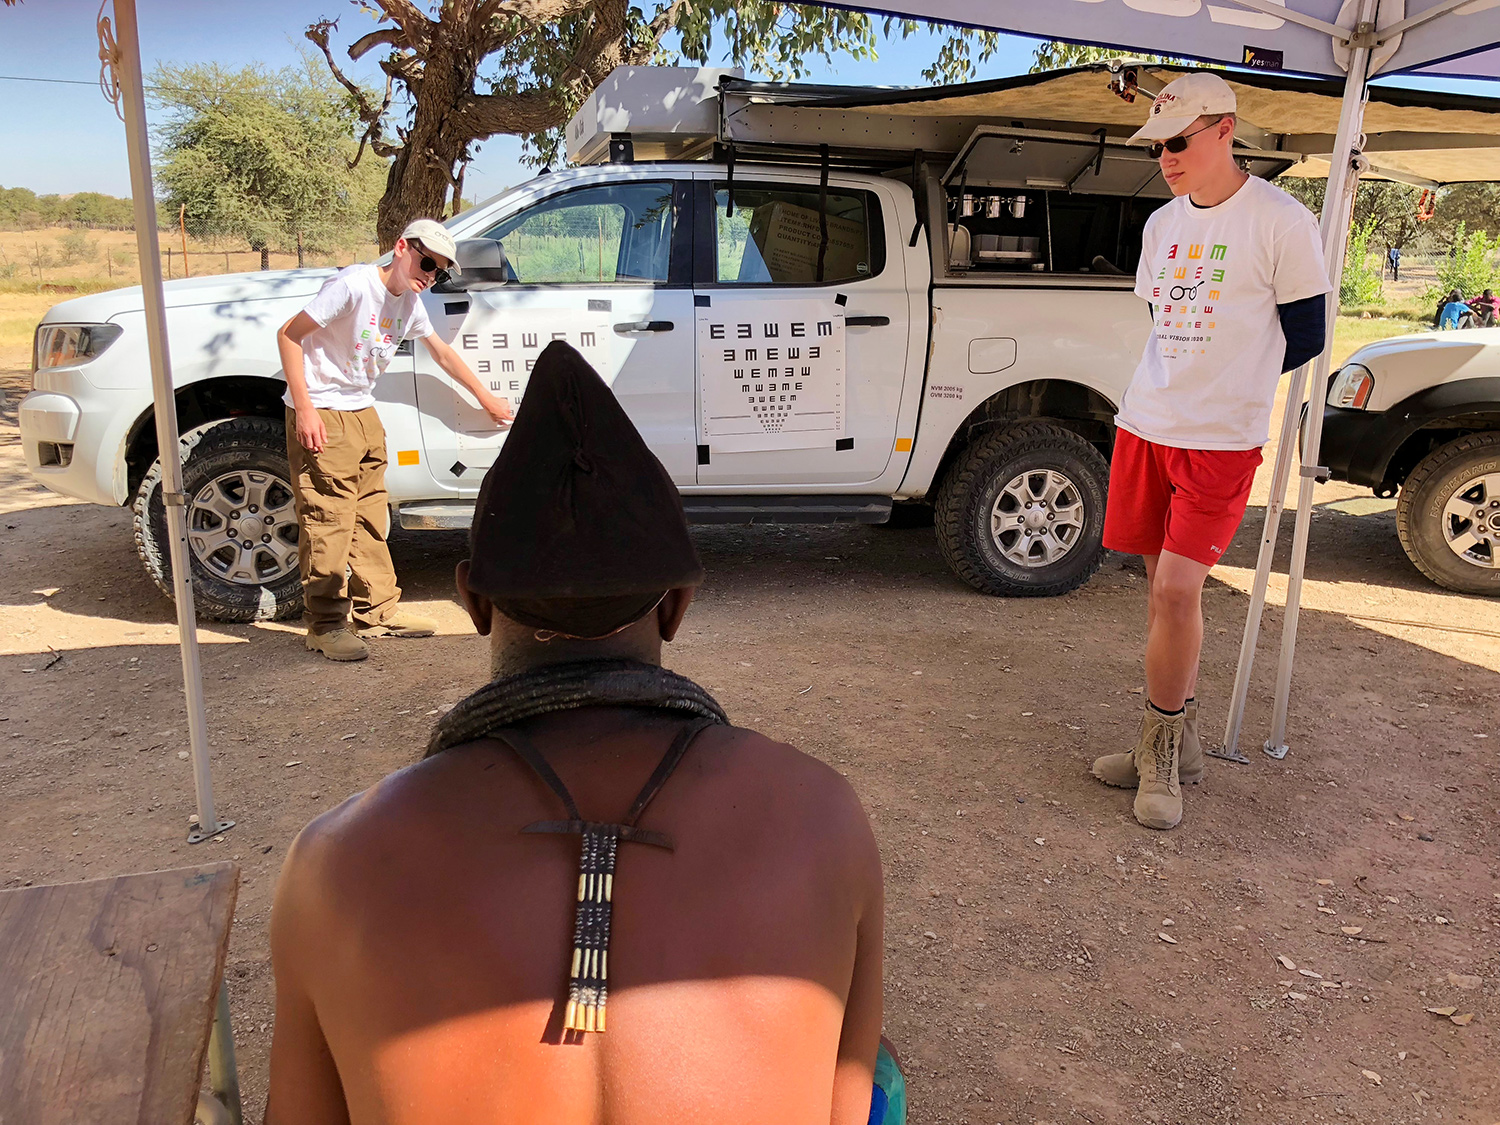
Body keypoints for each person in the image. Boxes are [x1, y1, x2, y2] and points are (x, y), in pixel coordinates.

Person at [264, 341, 894, 1124]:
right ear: (676, 606)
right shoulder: (824, 820)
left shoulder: (333, 865)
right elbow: (852, 1106)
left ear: (474, 601)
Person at [1090, 73, 1330, 830]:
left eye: (1178, 140)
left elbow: (1310, 335)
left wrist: (1234, 383)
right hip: (1148, 424)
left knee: (1176, 592)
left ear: (1225, 130)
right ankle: (1179, 740)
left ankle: (1160, 748)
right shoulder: (1162, 226)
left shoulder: (1282, 221)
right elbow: (1163, 319)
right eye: (1156, 144)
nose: (1165, 156)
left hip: (1220, 441)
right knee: (1160, 585)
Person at [276, 219, 514, 662]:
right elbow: (289, 335)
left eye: (440, 272)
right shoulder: (353, 286)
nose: (430, 275)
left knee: (369, 516)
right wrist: (306, 410)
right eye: (427, 263)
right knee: (329, 520)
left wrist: (486, 398)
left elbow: (441, 352)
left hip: (362, 410)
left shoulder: (410, 302)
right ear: (401, 247)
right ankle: (325, 626)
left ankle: (378, 613)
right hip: (325, 411)